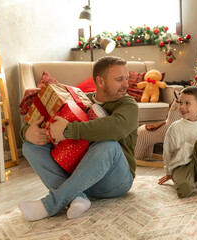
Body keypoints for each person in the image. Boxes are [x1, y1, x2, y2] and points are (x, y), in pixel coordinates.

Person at [19, 56, 139, 221]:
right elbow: (38, 117)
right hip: (81, 179)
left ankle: (51, 204)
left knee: (108, 145)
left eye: (126, 78)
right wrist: (27, 132)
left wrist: (68, 130)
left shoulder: (128, 104)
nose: (126, 83)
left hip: (116, 181)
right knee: (30, 147)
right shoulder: (79, 98)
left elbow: (116, 127)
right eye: (119, 79)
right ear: (101, 81)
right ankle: (78, 197)